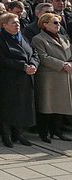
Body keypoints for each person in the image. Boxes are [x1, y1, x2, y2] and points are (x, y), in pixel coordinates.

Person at [0, 13, 39, 147]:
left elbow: (34, 53)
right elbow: (1, 59)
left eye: (17, 22)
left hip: (25, 78)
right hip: (9, 79)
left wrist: (34, 65)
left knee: (22, 106)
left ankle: (18, 134)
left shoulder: (23, 37)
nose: (17, 25)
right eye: (13, 23)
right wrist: (23, 66)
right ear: (4, 25)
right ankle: (6, 135)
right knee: (7, 107)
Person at [31, 13, 72, 142]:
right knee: (47, 106)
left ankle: (57, 130)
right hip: (49, 77)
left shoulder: (63, 37)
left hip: (64, 76)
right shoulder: (38, 39)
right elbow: (43, 57)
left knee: (60, 105)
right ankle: (44, 133)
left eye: (59, 22)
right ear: (45, 24)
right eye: (55, 22)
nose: (58, 25)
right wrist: (62, 65)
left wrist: (69, 64)